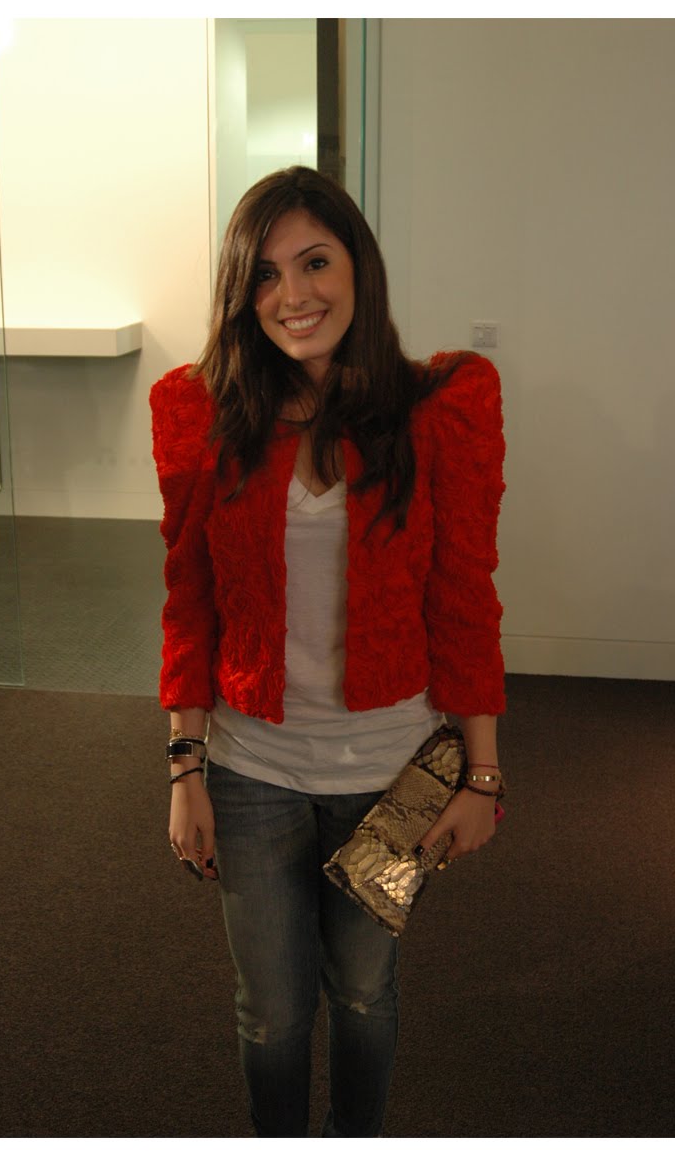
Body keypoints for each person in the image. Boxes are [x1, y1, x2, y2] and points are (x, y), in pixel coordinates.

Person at [150, 166, 506, 1138]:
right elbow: (189, 603)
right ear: (241, 293)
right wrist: (184, 766)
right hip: (250, 769)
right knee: (270, 1013)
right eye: (264, 275)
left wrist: (481, 773)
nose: (293, 295)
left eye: (315, 262)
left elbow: (464, 600)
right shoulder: (206, 415)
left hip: (391, 774)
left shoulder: (437, 410)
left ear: (358, 267)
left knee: (361, 990)